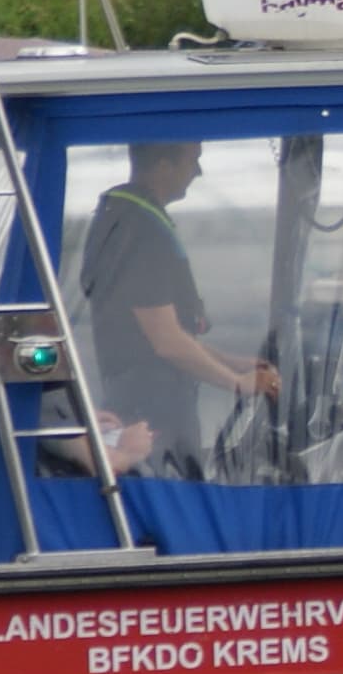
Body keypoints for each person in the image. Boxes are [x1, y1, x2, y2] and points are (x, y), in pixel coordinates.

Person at [77, 139, 278, 474]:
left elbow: (167, 334)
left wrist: (237, 363)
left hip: (148, 396)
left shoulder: (123, 218)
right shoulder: (139, 231)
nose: (198, 172)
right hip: (152, 408)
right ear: (163, 166)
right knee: (172, 495)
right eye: (192, 161)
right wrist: (237, 383)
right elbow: (166, 342)